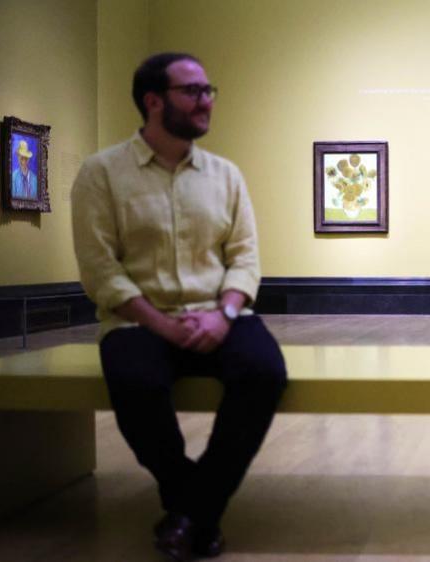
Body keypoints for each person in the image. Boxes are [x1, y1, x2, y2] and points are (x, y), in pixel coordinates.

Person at [71, 52, 287, 561]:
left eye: (209, 90)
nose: (206, 100)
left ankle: (190, 513)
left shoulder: (226, 175)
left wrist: (224, 314)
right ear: (153, 101)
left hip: (221, 316)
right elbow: (101, 269)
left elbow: (245, 258)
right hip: (138, 322)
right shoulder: (101, 173)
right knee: (137, 385)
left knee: (264, 373)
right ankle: (198, 509)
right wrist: (161, 326)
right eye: (193, 91)